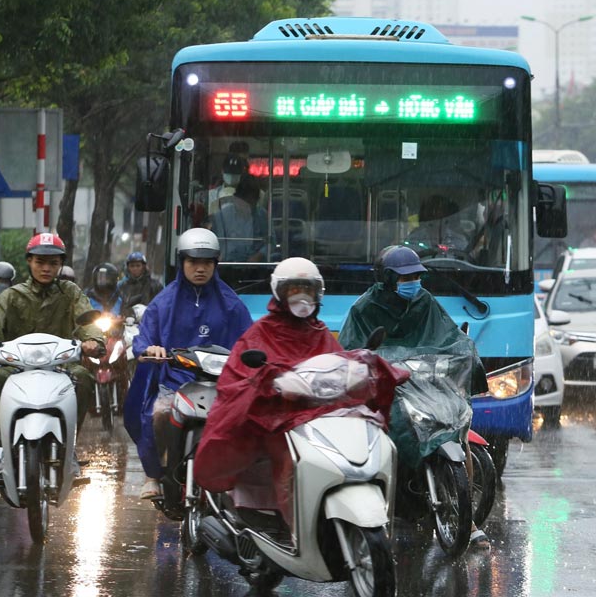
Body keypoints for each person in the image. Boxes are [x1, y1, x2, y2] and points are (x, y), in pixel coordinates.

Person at [193, 258, 399, 530]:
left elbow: (336, 364)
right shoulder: (259, 333)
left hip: (323, 417)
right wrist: (271, 384)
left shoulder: (320, 332)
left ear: (317, 294)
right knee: (290, 460)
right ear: (280, 293)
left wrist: (355, 372)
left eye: (307, 289)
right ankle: (293, 527)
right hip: (278, 420)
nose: (301, 297)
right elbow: (237, 380)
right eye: (293, 289)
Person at [340, 245, 491, 545]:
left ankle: (468, 518)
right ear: (387, 279)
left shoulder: (425, 301)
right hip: (390, 390)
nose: (413, 283)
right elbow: (351, 351)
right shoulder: (364, 309)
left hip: (426, 384)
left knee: (458, 432)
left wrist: (467, 353)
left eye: (416, 277)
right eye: (405, 278)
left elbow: (450, 336)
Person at [123, 228, 253, 500]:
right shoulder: (163, 303)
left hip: (221, 383)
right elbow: (145, 337)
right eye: (193, 261)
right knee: (159, 413)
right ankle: (154, 474)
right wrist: (149, 348)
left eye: (207, 262)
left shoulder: (232, 304)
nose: (200, 268)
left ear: (216, 264)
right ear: (181, 262)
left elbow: (249, 340)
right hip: (175, 381)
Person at [0, 234, 104, 437]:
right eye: (40, 262)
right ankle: (1, 435)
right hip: (18, 367)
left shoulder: (71, 293)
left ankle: (70, 436)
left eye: (53, 263)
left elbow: (87, 321)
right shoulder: (11, 296)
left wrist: (93, 340)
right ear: (29, 261)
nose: (46, 268)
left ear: (60, 265)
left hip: (62, 365)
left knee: (84, 378)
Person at [210, 175, 268, 262]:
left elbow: (271, 242)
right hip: (228, 263)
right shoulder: (222, 217)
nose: (249, 208)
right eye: (246, 204)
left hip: (256, 264)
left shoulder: (262, 215)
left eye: (253, 204)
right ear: (236, 199)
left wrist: (259, 255)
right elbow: (216, 244)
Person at [406, 194, 472, 253]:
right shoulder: (413, 241)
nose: (438, 226)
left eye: (442, 219)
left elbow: (467, 259)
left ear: (448, 220)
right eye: (432, 220)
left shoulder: (459, 241)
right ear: (424, 222)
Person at [117, 251, 163, 318]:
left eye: (138, 265)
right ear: (128, 267)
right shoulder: (121, 286)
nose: (135, 268)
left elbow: (161, 306)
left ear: (144, 267)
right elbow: (116, 305)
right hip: (125, 320)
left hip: (148, 321)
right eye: (132, 266)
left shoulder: (155, 285)